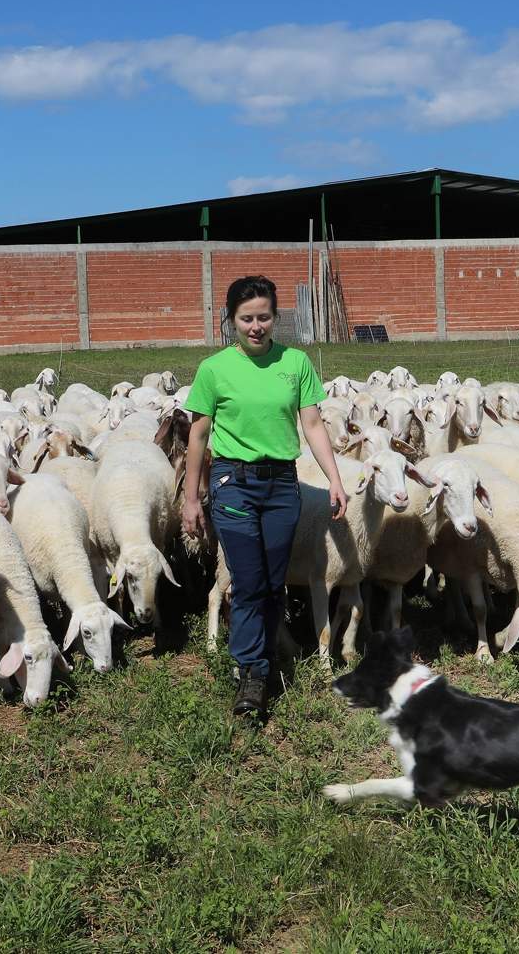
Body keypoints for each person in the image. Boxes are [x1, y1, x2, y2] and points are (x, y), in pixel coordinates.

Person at [181, 276, 348, 717]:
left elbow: (312, 425)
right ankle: (251, 673)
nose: (256, 326)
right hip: (231, 481)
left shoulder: (295, 363)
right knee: (250, 580)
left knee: (274, 583)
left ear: (276, 318)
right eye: (247, 318)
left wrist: (333, 477)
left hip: (281, 485)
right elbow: (197, 436)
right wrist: (191, 497)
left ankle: (266, 655)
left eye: (264, 317)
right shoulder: (214, 369)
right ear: (231, 320)